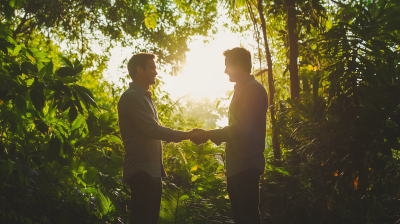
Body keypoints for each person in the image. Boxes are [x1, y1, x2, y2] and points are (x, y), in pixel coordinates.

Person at [191, 47, 268, 224]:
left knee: (248, 218)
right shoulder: (241, 89)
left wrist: (208, 134)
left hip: (246, 166)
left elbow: (241, 128)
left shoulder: (252, 90)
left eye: (227, 65)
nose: (225, 70)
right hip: (236, 167)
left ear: (238, 64)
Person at [117, 53, 196, 224]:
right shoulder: (131, 97)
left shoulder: (145, 97)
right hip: (141, 172)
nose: (156, 72)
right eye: (152, 68)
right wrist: (187, 135)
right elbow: (152, 130)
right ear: (139, 69)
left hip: (151, 173)